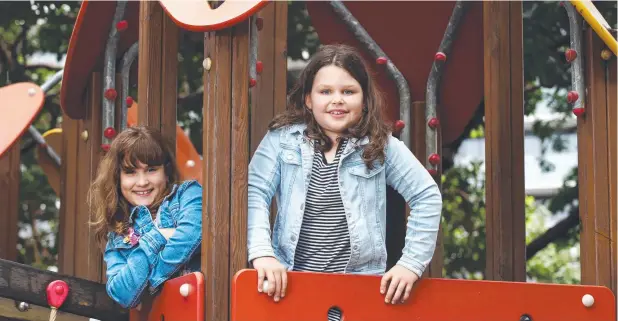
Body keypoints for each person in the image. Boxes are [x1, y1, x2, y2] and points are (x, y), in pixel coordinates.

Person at [247, 44, 442, 319]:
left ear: (364, 101)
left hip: (359, 290)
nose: (336, 100)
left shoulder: (381, 145)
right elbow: (254, 191)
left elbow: (426, 195)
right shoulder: (282, 140)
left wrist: (410, 264)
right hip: (291, 287)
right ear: (308, 99)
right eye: (325, 92)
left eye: (348, 92)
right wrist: (262, 254)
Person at [89, 126, 202, 309]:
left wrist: (148, 283)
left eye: (151, 170)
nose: (142, 182)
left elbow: (192, 235)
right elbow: (122, 293)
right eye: (131, 172)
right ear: (118, 178)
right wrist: (157, 237)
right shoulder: (117, 237)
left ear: (166, 172)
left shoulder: (188, 194)